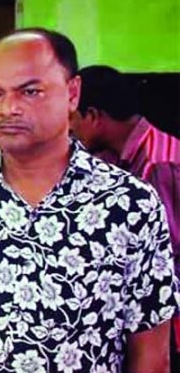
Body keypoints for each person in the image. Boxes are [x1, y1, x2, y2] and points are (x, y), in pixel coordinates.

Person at [0, 28, 179, 372]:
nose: (8, 108)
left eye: (30, 92)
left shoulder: (130, 205)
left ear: (73, 94)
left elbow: (151, 353)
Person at [70, 65, 180, 264]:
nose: (69, 128)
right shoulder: (109, 155)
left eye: (72, 118)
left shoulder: (158, 164)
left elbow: (166, 250)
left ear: (93, 116)